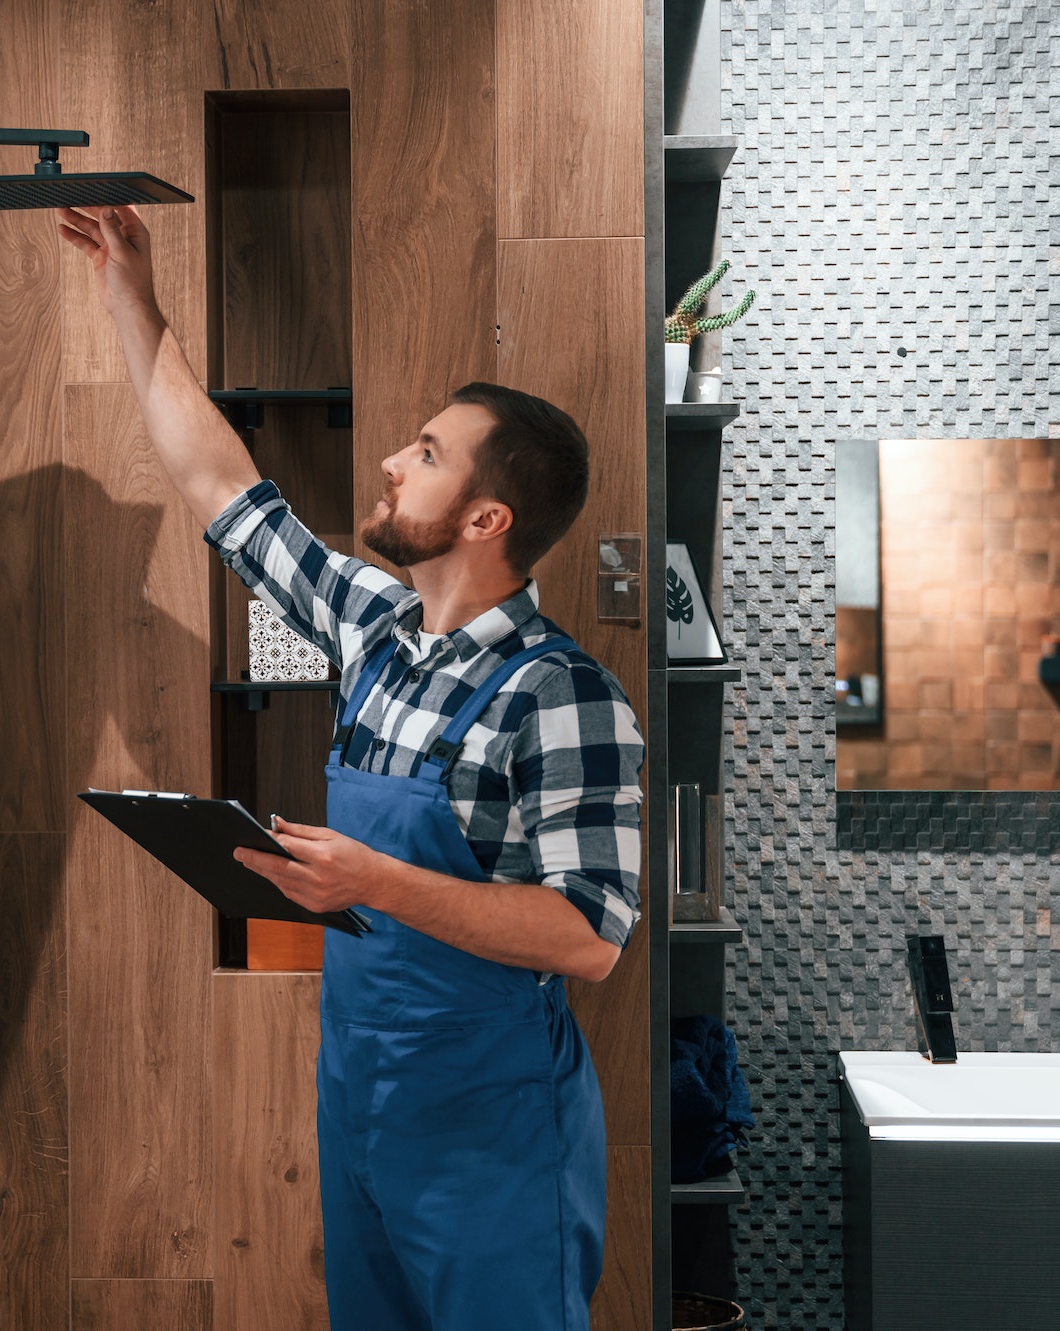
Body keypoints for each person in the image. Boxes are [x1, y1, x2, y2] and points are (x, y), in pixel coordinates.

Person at [57, 204, 645, 1331]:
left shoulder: (561, 695)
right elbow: (223, 492)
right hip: (364, 1098)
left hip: (494, 1128)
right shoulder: (374, 628)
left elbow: (587, 934)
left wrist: (369, 879)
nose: (390, 457)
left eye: (423, 454)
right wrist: (129, 296)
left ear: (484, 514)